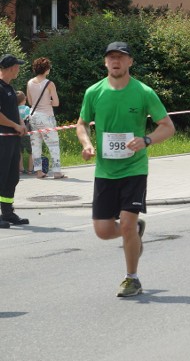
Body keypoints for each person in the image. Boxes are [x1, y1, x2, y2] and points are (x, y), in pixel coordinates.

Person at [75, 42, 175, 296]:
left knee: (127, 225)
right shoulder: (94, 92)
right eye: (111, 57)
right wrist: (87, 144)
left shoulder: (143, 92)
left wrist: (147, 140)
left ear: (130, 62)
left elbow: (167, 126)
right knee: (103, 231)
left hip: (134, 169)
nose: (115, 61)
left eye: (120, 57)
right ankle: (136, 231)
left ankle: (132, 278)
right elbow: (82, 124)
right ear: (105, 62)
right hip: (105, 171)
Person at [0, 54, 30, 229]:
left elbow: (13, 110)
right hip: (2, 139)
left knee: (12, 177)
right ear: (11, 68)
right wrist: (15, 125)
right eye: (17, 66)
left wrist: (20, 124)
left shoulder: (9, 88)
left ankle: (8, 212)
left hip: (12, 139)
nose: (19, 68)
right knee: (1, 176)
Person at [27, 57, 64, 179]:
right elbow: (56, 103)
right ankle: (57, 172)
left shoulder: (30, 83)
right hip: (46, 116)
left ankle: (38, 172)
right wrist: (48, 101)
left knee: (36, 145)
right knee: (53, 144)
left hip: (33, 116)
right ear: (46, 69)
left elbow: (31, 101)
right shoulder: (49, 84)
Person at [16, 91, 33, 175]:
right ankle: (30, 169)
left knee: (20, 151)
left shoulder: (14, 108)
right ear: (24, 99)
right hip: (27, 132)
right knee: (31, 151)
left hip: (17, 132)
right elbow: (29, 118)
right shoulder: (26, 108)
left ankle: (21, 169)